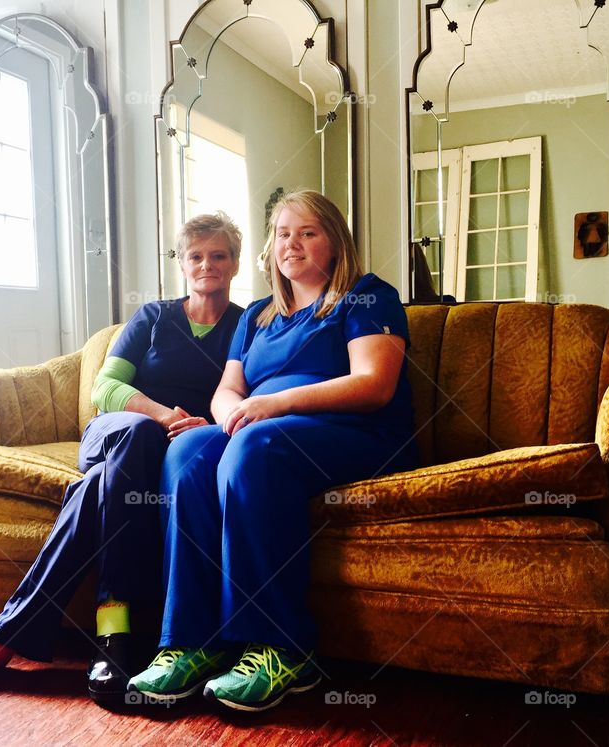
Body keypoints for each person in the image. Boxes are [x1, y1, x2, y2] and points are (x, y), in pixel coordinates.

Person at [0, 212, 246, 702]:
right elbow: (105, 387)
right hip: (118, 431)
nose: (207, 265)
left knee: (98, 485)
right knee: (138, 437)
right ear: (183, 265)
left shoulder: (246, 325)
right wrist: (162, 416)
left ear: (233, 264)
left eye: (218, 255)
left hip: (174, 451)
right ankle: (115, 627)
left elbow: (240, 397)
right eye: (196, 256)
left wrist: (201, 429)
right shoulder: (152, 318)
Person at [127, 190, 419, 712]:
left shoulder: (367, 295)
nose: (293, 244)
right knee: (190, 452)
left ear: (335, 243)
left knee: (255, 447)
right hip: (269, 432)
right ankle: (192, 643)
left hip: (357, 435)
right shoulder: (258, 315)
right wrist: (229, 417)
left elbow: (374, 383)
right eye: (284, 234)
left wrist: (272, 405)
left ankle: (283, 647)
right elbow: (226, 390)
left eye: (307, 232)